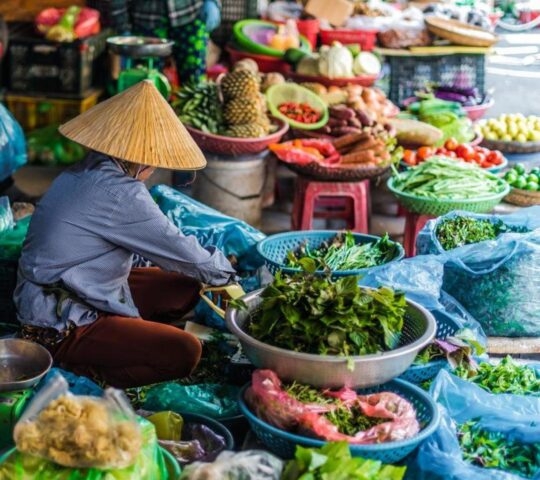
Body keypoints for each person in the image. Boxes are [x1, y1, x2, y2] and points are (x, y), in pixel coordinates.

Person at [14, 80, 237, 389]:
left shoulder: (92, 169)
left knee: (186, 286)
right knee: (186, 351)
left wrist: (206, 273)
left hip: (78, 285)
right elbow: (178, 248)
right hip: (59, 320)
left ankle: (128, 339)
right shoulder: (120, 194)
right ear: (143, 158)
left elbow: (153, 247)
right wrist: (227, 276)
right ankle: (91, 374)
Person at [104, 0, 222, 84]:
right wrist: (122, 29)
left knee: (194, 83)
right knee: (145, 83)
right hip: (147, 21)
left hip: (190, 15)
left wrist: (213, 2)